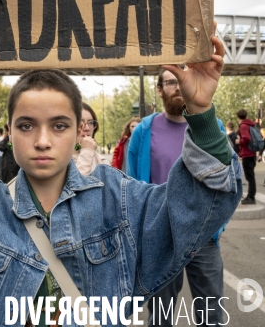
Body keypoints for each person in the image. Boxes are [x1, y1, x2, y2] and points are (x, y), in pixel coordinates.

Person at [0, 32, 241, 326]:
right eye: (26, 125)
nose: (42, 141)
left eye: (59, 126)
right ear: (9, 133)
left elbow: (199, 207)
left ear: (79, 131)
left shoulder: (122, 202)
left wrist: (203, 112)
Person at [127, 69, 228, 327]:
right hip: (162, 237)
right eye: (170, 82)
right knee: (160, 316)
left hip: (203, 236)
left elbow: (226, 176)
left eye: (180, 81)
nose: (177, 87)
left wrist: (218, 226)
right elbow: (132, 186)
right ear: (160, 90)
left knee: (212, 315)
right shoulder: (143, 131)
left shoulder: (211, 127)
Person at [73, 101, 110, 175]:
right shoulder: (61, 161)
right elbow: (76, 185)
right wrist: (86, 152)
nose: (86, 128)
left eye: (90, 122)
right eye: (81, 122)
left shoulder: (102, 162)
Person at [236, 108, 257, 204]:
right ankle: (251, 196)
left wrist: (239, 141)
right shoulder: (250, 124)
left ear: (238, 117)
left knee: (250, 177)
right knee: (251, 176)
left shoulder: (243, 126)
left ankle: (251, 197)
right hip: (251, 153)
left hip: (247, 154)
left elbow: (246, 138)